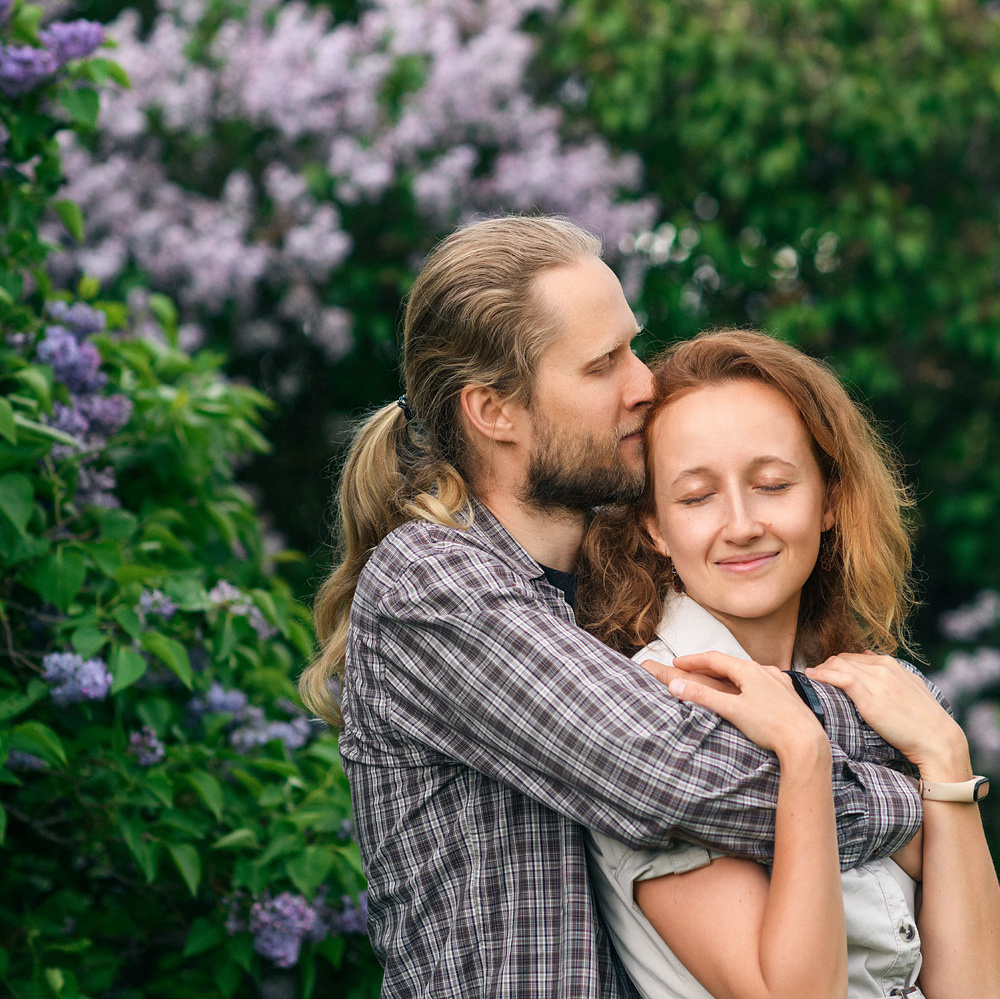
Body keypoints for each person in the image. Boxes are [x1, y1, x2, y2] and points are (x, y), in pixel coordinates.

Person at [299, 217, 925, 998]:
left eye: (633, 345)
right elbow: (680, 772)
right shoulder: (434, 584)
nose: (644, 383)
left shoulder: (609, 593)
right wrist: (921, 788)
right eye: (602, 365)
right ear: (494, 410)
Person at [576, 328, 1000, 998]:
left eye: (772, 483)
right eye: (696, 496)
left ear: (829, 498)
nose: (741, 522)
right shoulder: (658, 712)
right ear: (654, 525)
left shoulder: (870, 693)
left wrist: (947, 757)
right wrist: (802, 751)